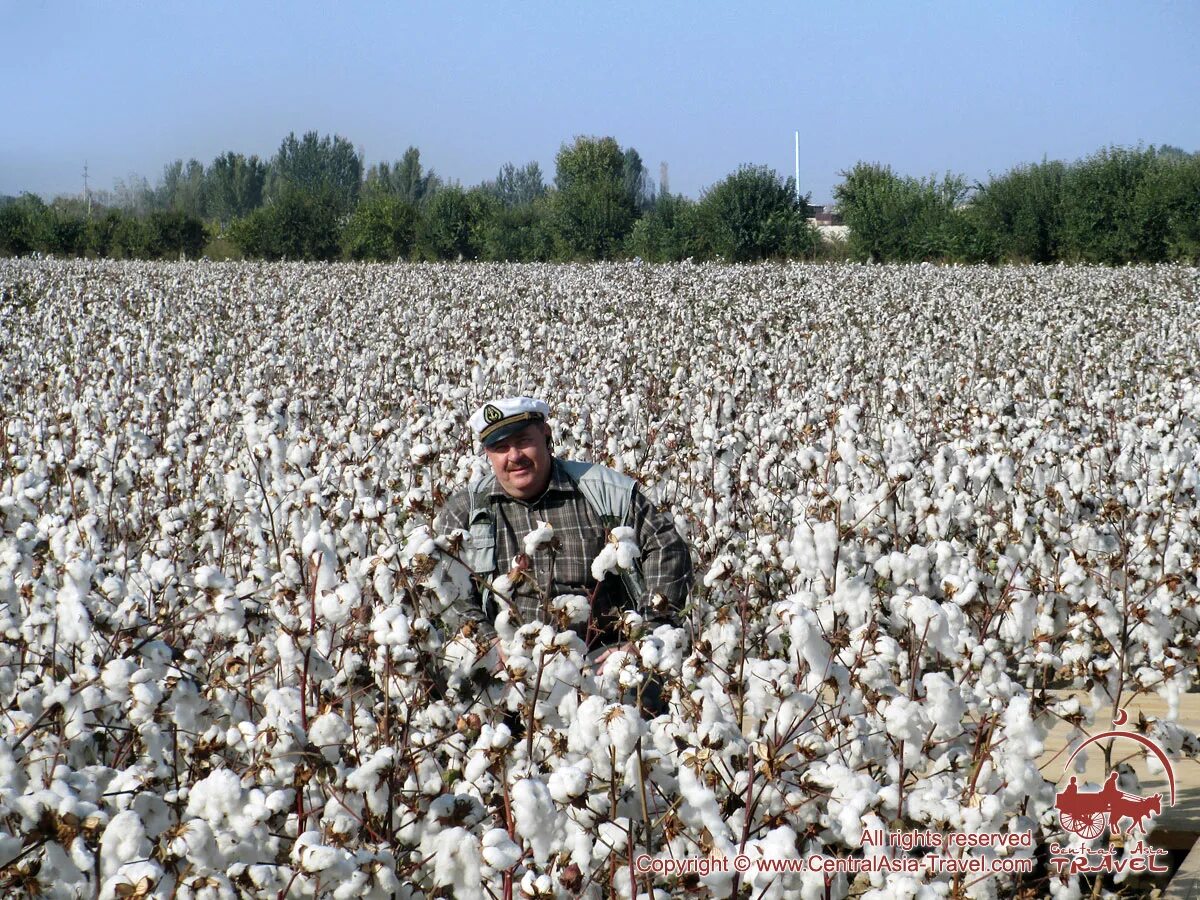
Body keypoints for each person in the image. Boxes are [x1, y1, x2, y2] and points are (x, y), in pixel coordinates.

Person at [437, 396, 693, 671]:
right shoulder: (468, 510)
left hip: (602, 661)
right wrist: (484, 640)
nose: (514, 456)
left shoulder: (603, 492)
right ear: (488, 453)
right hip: (507, 664)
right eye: (501, 447)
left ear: (546, 436)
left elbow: (666, 547)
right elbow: (445, 582)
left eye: (524, 441)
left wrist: (643, 635)